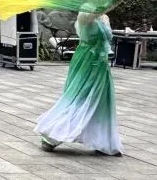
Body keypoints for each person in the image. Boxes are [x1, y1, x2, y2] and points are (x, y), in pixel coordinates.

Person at [37, 10, 122, 155]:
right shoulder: (85, 13)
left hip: (100, 63)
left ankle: (104, 142)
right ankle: (52, 136)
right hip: (86, 60)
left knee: (101, 101)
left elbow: (106, 40)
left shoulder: (104, 17)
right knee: (80, 97)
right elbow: (87, 29)